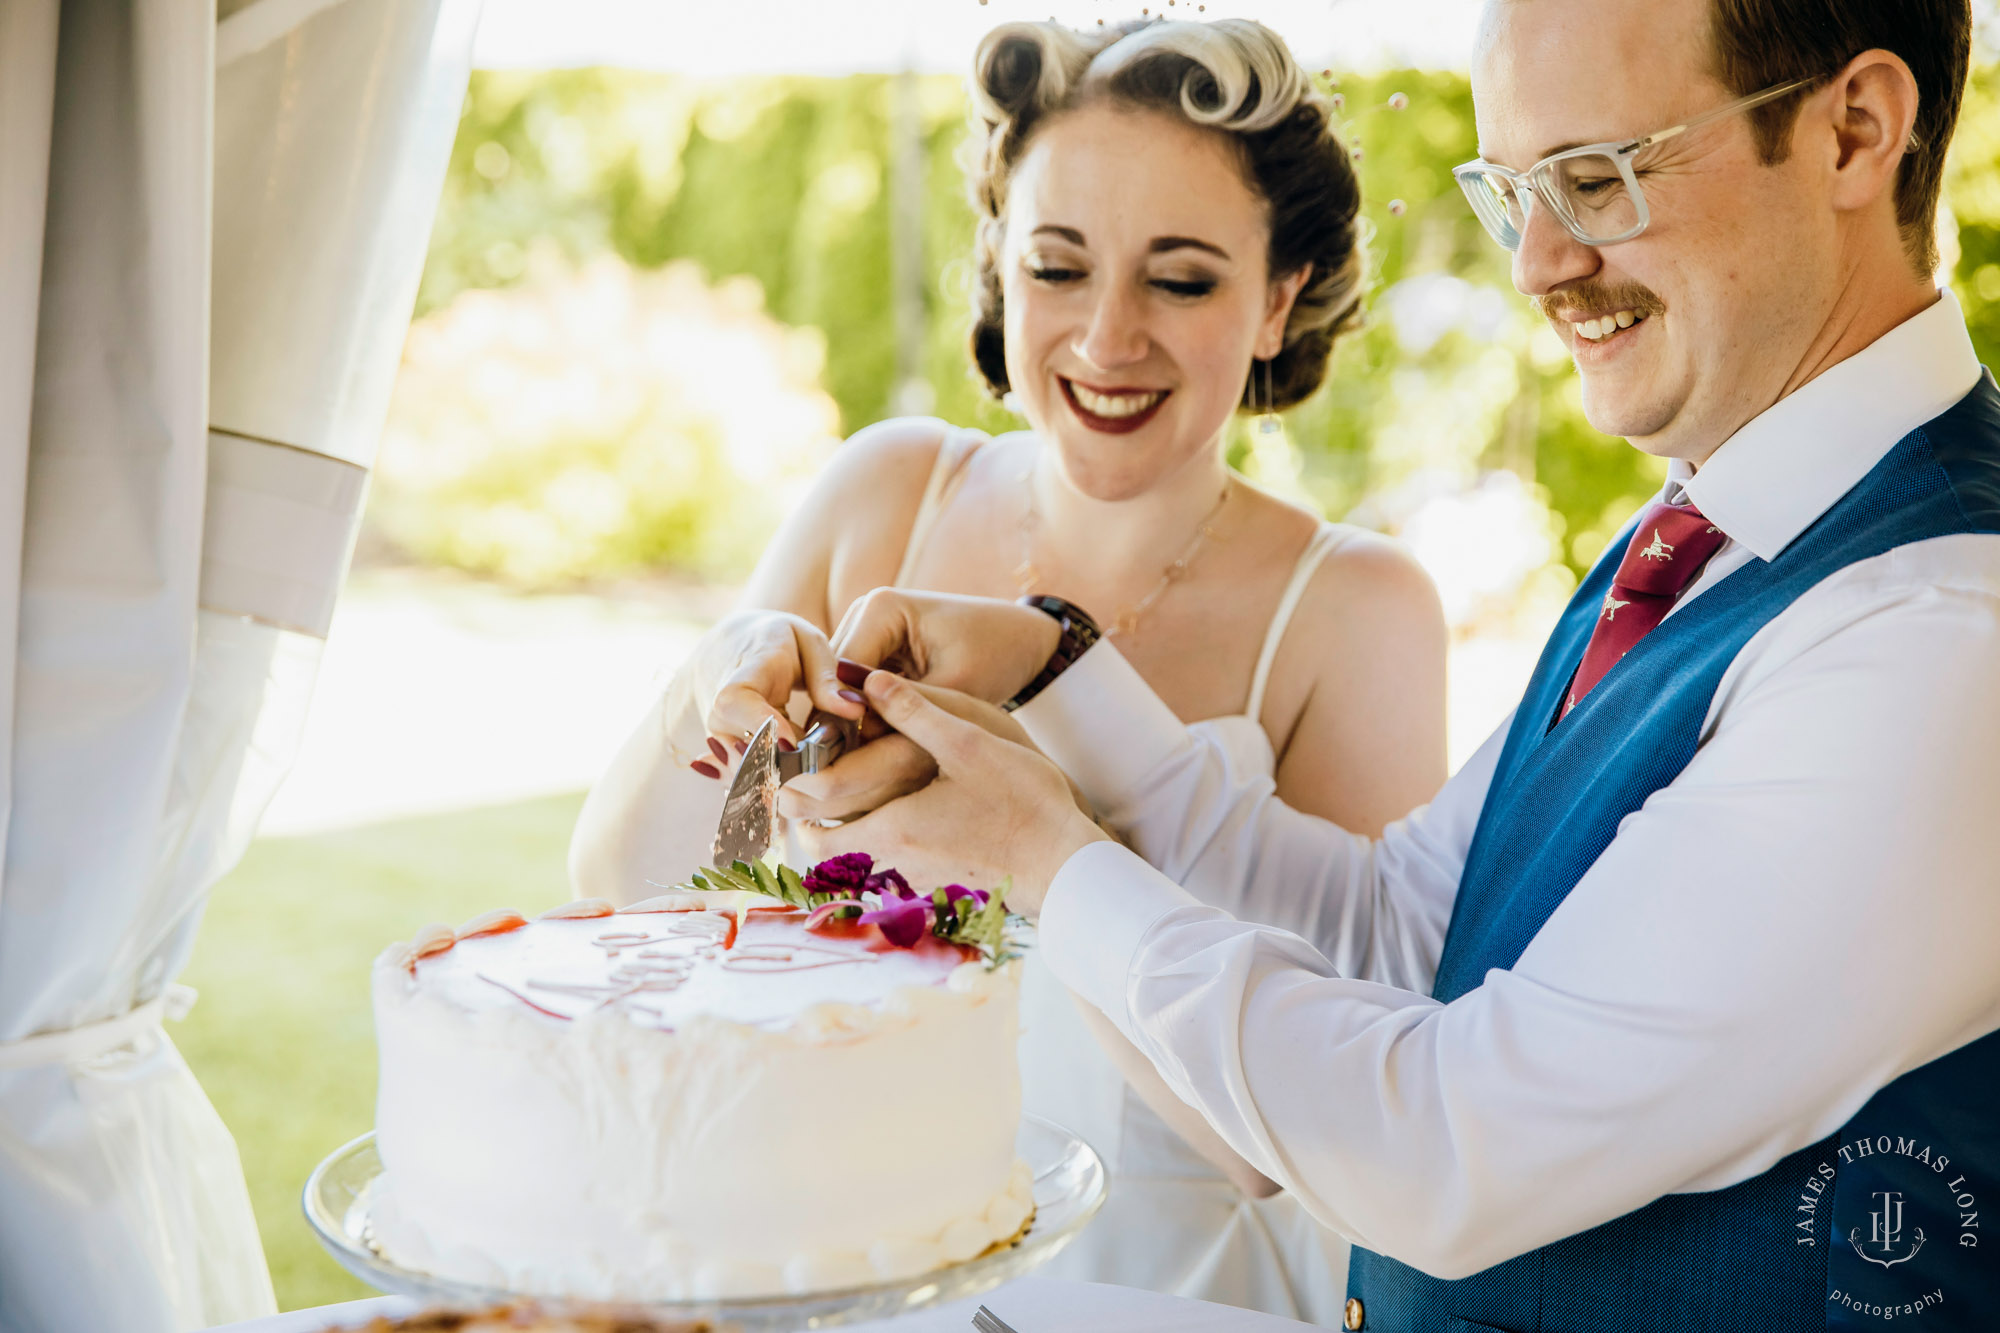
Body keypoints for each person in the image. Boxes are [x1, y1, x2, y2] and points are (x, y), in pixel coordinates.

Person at [797, 1, 2000, 1330]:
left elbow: (1446, 1148)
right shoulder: (1708, 535)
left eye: (1596, 180)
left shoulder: (1945, 635)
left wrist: (1039, 853)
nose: (1539, 264)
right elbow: (1398, 930)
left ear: (1854, 131)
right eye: (1515, 191)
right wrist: (1052, 674)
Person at [567, 18, 1448, 1321]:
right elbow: (630, 902)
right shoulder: (885, 491)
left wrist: (1040, 837)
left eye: (1183, 279)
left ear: (1278, 296)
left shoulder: (1357, 612)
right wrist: (718, 687)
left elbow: (1285, 1139)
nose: (1106, 336)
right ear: (1001, 266)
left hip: (1158, 1290)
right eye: (1058, 265)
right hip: (836, 1258)